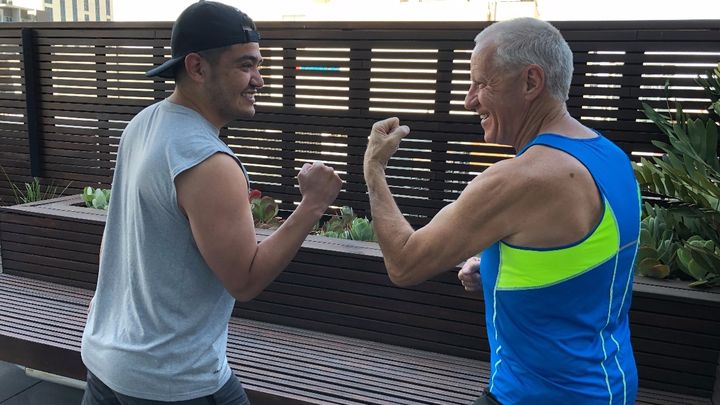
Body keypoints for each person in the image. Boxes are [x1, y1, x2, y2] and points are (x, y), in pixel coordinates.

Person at [363, 17, 639, 405]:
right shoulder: (611, 158)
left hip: (538, 396)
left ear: (531, 82)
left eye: (482, 83)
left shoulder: (521, 179)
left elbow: (405, 263)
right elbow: (586, 263)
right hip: (612, 386)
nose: (469, 100)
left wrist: (374, 168)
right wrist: (495, 269)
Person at [81, 2, 341, 404]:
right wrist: (313, 205)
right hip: (170, 380)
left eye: (258, 65)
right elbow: (245, 280)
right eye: (245, 66)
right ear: (197, 68)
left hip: (106, 360)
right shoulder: (208, 162)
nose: (259, 80)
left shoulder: (143, 124)